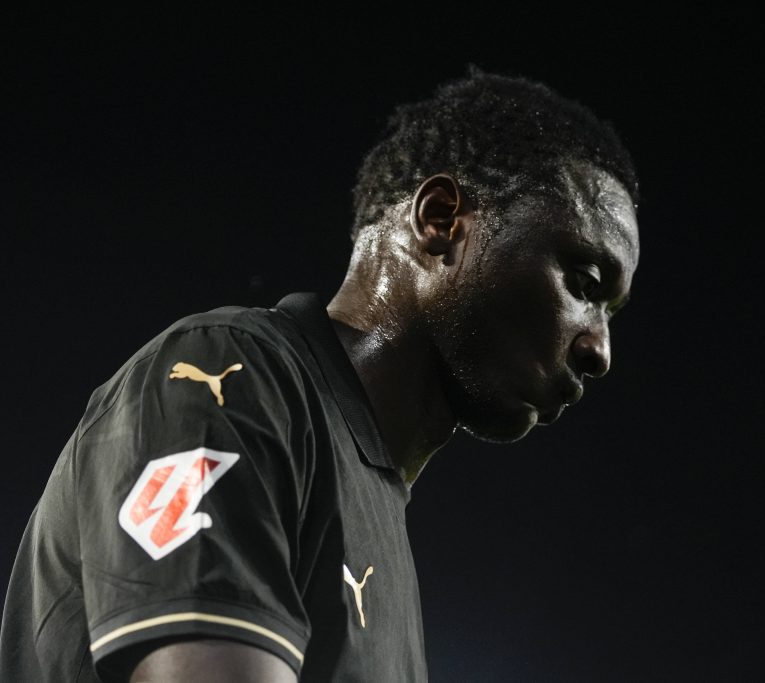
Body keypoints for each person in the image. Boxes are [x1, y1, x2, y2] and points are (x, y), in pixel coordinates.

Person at [0, 65, 641, 682]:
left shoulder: (379, 517)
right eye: (584, 284)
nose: (600, 349)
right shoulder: (231, 378)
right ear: (442, 221)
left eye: (611, 312)